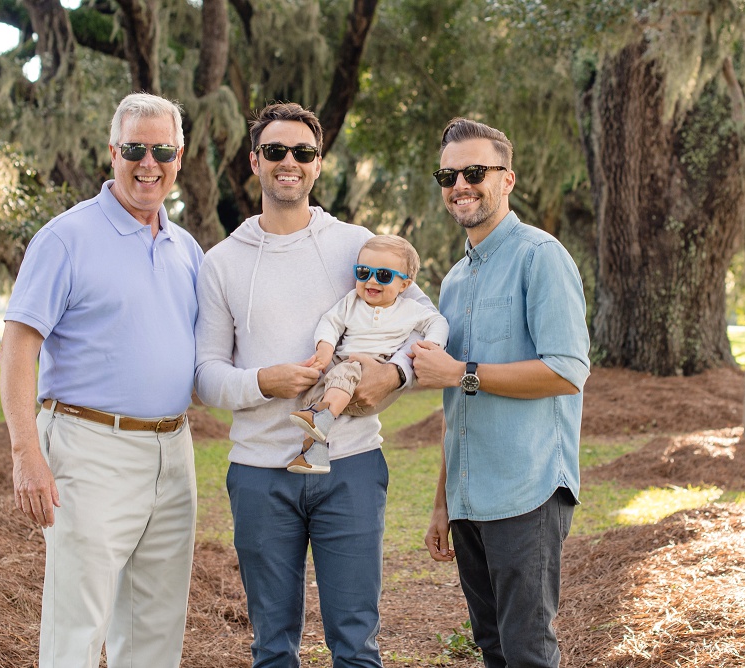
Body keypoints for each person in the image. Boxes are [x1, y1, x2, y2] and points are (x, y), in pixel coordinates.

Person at [194, 102, 437, 667]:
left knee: (355, 642)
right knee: (272, 645)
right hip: (259, 475)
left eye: (302, 153)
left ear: (318, 164)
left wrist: (394, 375)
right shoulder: (221, 262)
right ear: (254, 161)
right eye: (275, 151)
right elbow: (206, 376)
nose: (289, 162)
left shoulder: (357, 245)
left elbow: (422, 323)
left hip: (349, 467)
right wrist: (263, 381)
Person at [0, 92, 202, 668]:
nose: (148, 162)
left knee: (156, 626)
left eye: (161, 149)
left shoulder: (186, 248)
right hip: (88, 451)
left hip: (173, 451)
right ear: (113, 152)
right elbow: (17, 347)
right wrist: (25, 453)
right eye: (135, 148)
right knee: (77, 626)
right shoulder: (66, 238)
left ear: (178, 157)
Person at [411, 118, 591, 668]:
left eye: (474, 172)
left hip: (528, 488)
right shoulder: (455, 280)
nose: (459, 184)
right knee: (492, 650)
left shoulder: (541, 256)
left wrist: (464, 371)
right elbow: (455, 401)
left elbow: (565, 371)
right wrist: (444, 502)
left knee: (528, 652)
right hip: (470, 496)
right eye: (448, 175)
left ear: (507, 180)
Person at [287, 234, 448, 473]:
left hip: (375, 377)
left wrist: (432, 345)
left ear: (404, 285)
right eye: (363, 272)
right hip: (343, 379)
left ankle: (322, 416)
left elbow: (438, 321)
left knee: (346, 371)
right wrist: (325, 348)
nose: (371, 281)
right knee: (310, 393)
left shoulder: (410, 309)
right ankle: (315, 453)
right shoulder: (351, 302)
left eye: (383, 275)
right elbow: (330, 322)